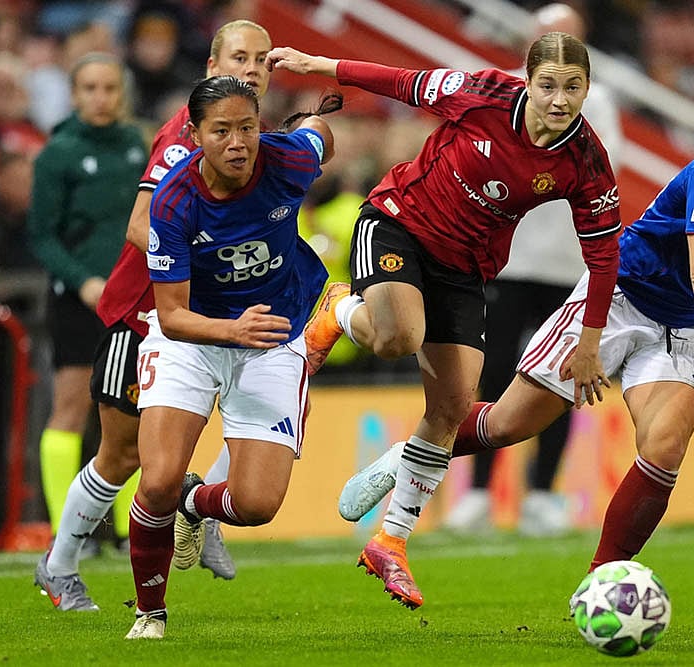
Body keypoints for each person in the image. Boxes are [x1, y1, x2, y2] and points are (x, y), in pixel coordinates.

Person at [337, 34, 694, 586]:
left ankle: (602, 581)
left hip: (683, 326)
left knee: (666, 447)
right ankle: (412, 452)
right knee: (505, 425)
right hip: (623, 296)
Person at [267, 30, 623, 609]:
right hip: (399, 223)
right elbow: (401, 82)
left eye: (573, 87)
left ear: (587, 89)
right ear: (527, 82)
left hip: (466, 267)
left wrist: (590, 341)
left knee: (453, 408)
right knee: (397, 337)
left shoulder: (585, 158)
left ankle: (390, 541)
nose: (560, 100)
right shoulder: (481, 94)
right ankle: (339, 309)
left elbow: (604, 254)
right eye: (549, 85)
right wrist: (320, 63)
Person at [34, 20, 276, 612]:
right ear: (211, 65)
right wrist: (211, 260)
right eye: (238, 58)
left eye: (262, 61)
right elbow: (142, 227)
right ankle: (59, 565)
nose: (250, 70)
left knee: (284, 396)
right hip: (146, 311)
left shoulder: (256, 136)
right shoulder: (185, 134)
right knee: (122, 454)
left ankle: (206, 514)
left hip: (214, 311)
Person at [124, 74, 338, 639]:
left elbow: (319, 137)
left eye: (248, 127)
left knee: (257, 505)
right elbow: (171, 316)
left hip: (271, 334)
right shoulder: (173, 202)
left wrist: (312, 126)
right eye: (222, 131)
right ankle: (150, 612)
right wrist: (228, 330)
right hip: (192, 338)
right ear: (195, 135)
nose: (238, 142)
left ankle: (197, 503)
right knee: (157, 481)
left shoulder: (287, 161)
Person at [443, 1, 628, 537]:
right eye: (550, 37)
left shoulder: (602, 105)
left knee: (560, 378)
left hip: (568, 264)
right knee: (492, 369)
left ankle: (544, 491)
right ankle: (476, 491)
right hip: (507, 258)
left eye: (571, 37)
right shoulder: (502, 97)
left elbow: (590, 177)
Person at [27, 52, 147, 583]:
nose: (101, 97)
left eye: (109, 88)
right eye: (91, 88)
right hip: (78, 299)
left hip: (128, 298)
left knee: (125, 413)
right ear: (74, 95)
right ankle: (62, 527)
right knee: (72, 409)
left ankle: (119, 531)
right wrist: (82, 281)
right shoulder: (57, 154)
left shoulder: (133, 146)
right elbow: (42, 237)